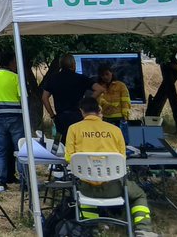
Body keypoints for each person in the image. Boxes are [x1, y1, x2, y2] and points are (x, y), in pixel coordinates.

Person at [65, 96, 156, 237]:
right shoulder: (115, 130)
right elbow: (122, 157)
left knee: (82, 191)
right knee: (139, 195)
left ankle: (92, 229)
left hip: (87, 189)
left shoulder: (73, 129)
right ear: (98, 110)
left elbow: (69, 157)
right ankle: (143, 229)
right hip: (115, 188)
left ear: (81, 111)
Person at [0, 51, 23, 187]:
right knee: (20, 150)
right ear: (11, 62)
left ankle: (1, 180)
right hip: (16, 117)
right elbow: (22, 99)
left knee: (1, 150)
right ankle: (24, 179)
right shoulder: (15, 78)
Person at [40, 54, 94, 143]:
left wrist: (52, 115)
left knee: (60, 141)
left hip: (61, 116)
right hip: (78, 115)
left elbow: (44, 98)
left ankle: (60, 155)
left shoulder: (53, 79)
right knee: (78, 141)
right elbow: (99, 89)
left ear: (60, 65)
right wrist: (87, 102)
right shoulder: (80, 78)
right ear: (73, 65)